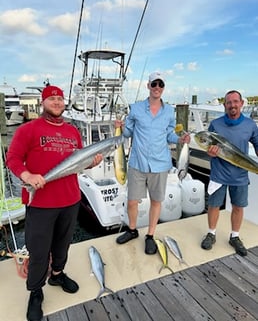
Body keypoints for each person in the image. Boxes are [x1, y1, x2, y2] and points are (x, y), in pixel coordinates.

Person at [6, 85, 102, 321]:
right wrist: (27, 176)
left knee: (62, 244)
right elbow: (13, 159)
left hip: (70, 200)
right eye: (52, 99)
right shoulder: (28, 129)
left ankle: (57, 275)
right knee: (38, 251)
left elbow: (78, 162)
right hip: (40, 203)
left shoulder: (73, 131)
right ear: (43, 102)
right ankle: (35, 291)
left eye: (60, 99)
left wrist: (91, 163)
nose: (57, 102)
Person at [115, 72, 190, 254]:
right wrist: (121, 127)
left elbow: (169, 135)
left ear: (163, 88)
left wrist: (180, 140)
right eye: (154, 84)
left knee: (156, 201)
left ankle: (150, 235)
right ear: (148, 86)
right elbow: (128, 134)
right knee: (132, 201)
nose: (157, 87)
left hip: (160, 163)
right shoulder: (136, 108)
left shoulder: (169, 111)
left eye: (160, 84)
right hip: (137, 163)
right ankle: (132, 230)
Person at [201, 90, 258, 256]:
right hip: (218, 174)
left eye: (235, 102)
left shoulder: (250, 125)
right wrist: (209, 152)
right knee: (213, 205)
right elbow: (207, 145)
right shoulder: (216, 125)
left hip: (240, 175)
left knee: (238, 207)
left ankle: (235, 236)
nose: (232, 105)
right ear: (224, 105)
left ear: (241, 103)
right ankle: (211, 233)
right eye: (228, 102)